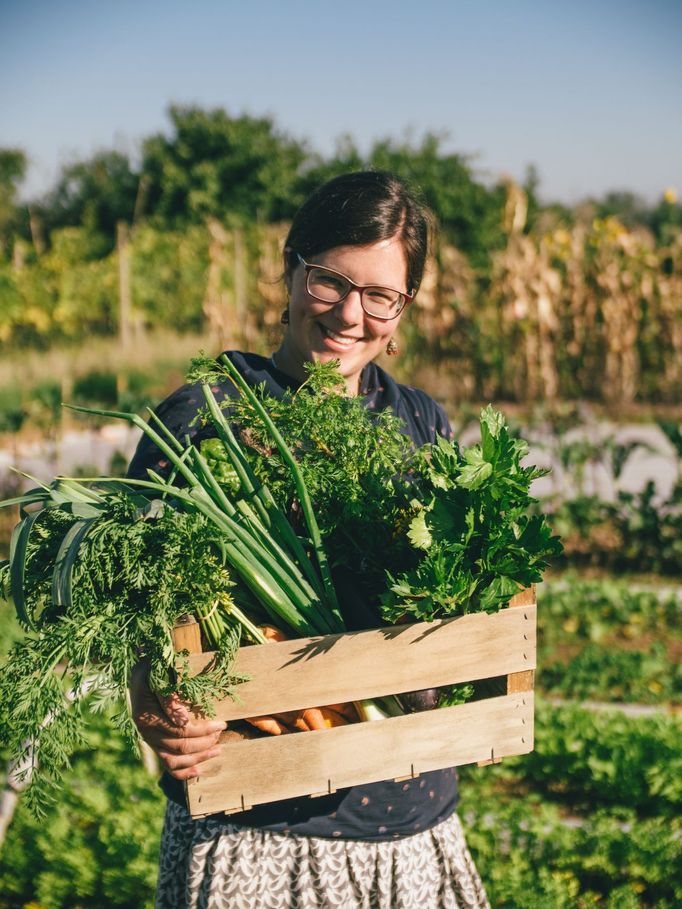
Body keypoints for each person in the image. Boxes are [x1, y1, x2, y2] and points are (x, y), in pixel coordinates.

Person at [128, 170, 491, 909]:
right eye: (329, 281)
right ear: (290, 268)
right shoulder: (210, 414)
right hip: (255, 830)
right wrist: (157, 704)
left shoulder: (423, 423)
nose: (350, 314)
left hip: (409, 822)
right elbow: (137, 607)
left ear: (405, 305)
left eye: (380, 295)